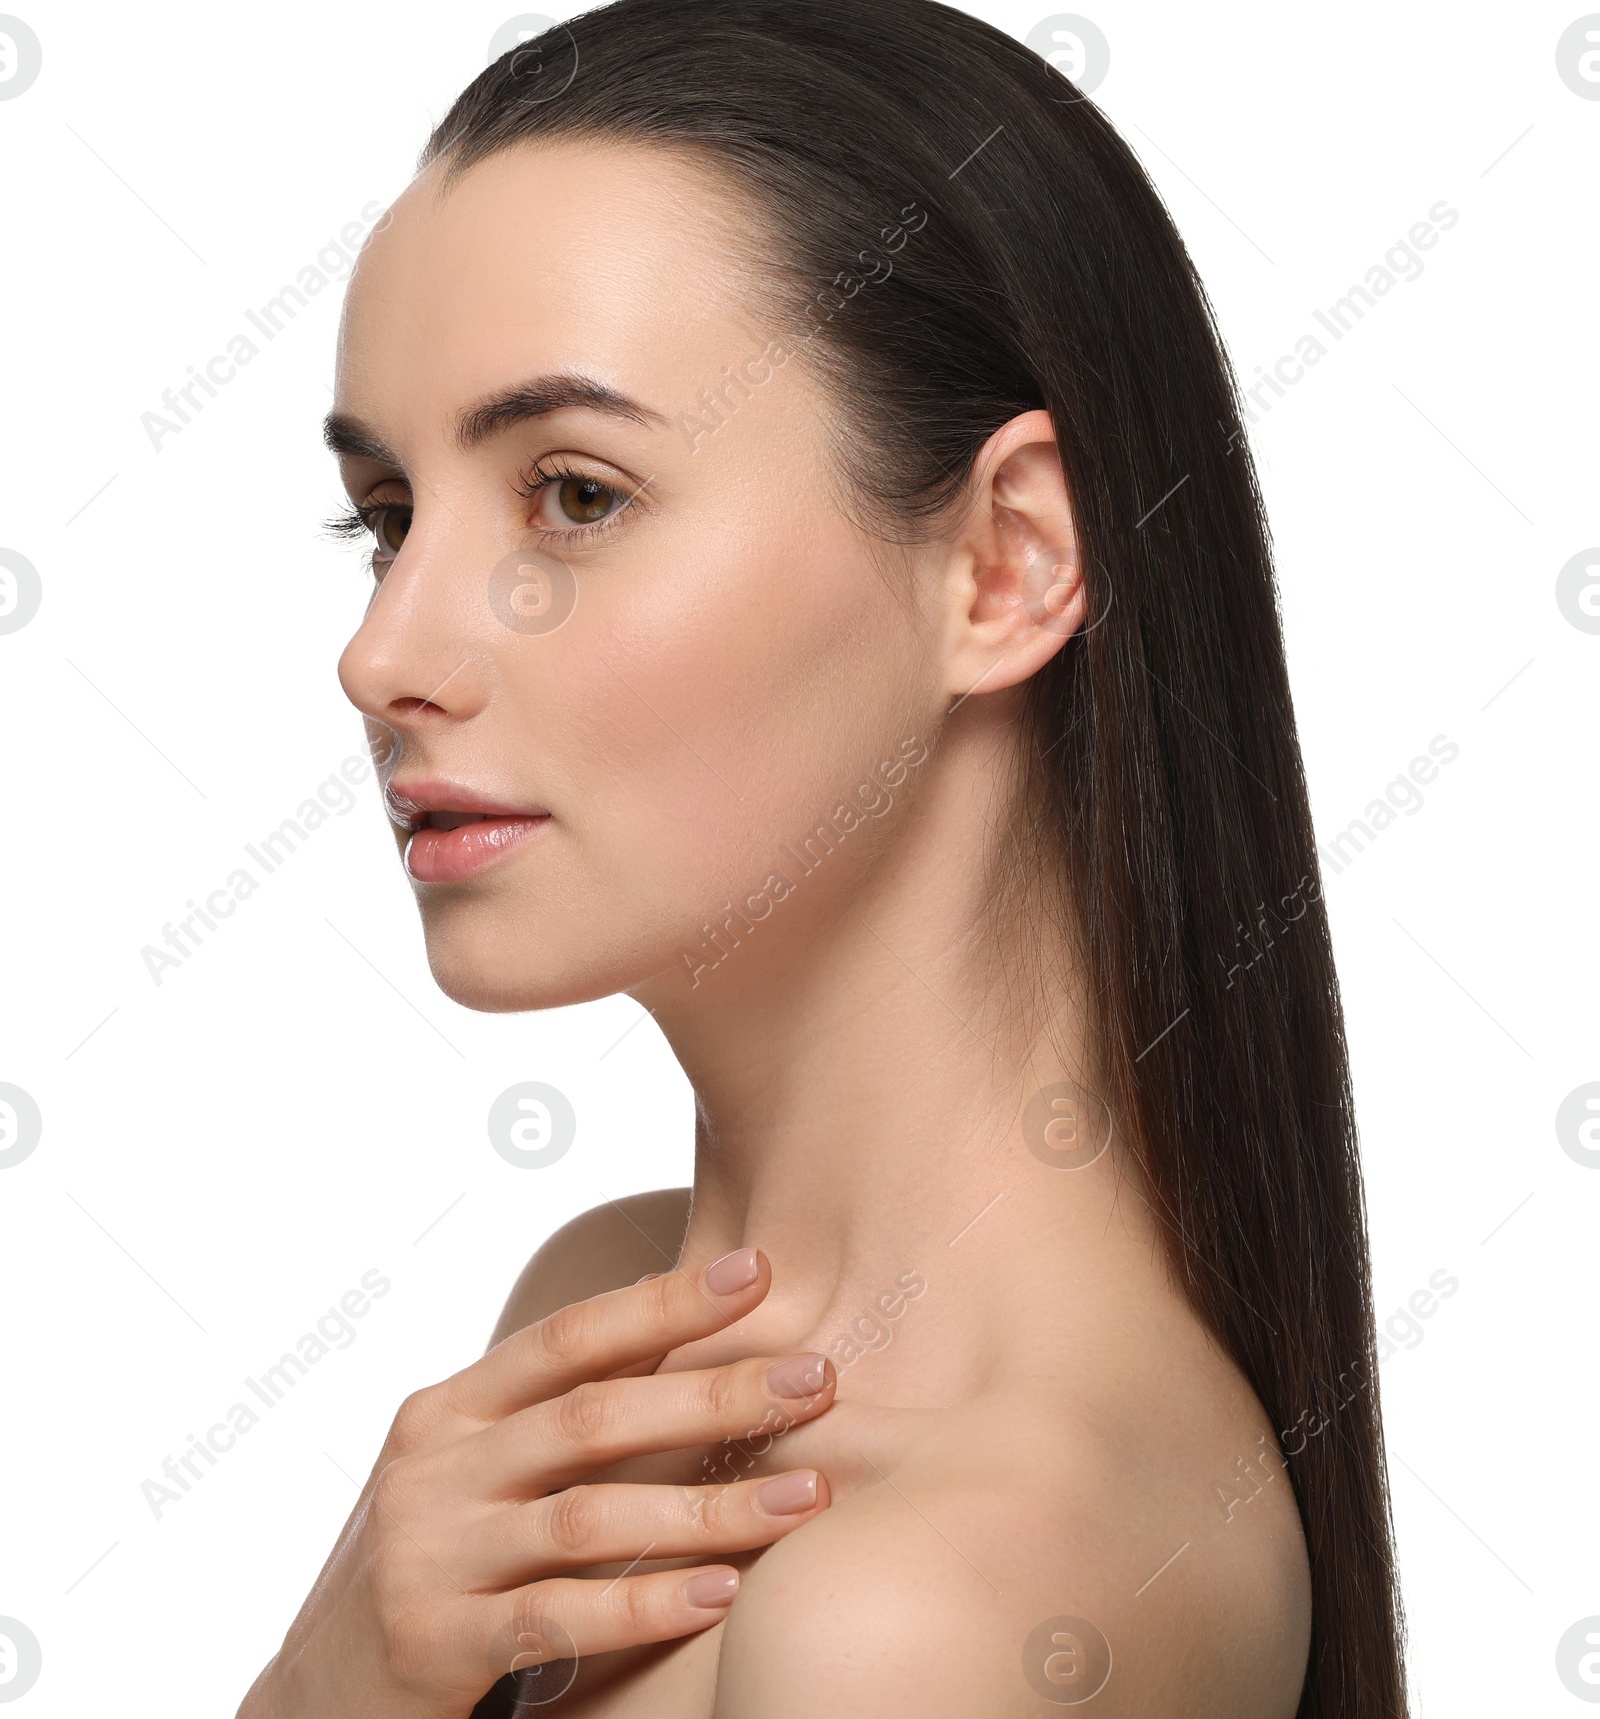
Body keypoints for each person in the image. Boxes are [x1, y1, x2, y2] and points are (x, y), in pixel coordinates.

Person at [238, 3, 1407, 1713]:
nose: (385, 655)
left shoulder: (938, 1611)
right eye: (391, 519)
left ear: (1005, 563)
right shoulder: (601, 1330)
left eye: (574, 497)